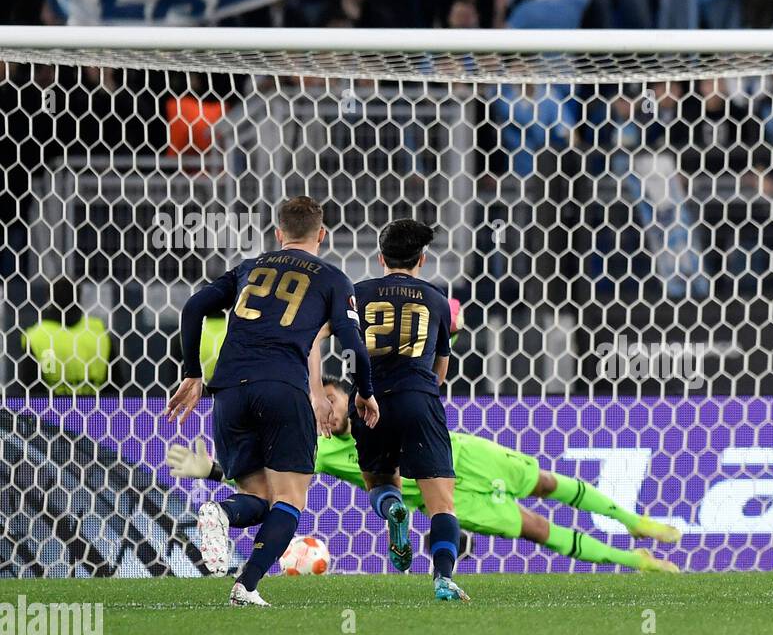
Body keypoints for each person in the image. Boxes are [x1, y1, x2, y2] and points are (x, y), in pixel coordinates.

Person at [165, 377, 683, 575]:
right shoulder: (319, 449)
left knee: (547, 482)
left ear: (346, 393)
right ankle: (636, 560)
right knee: (536, 530)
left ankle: (638, 523)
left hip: (465, 456)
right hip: (442, 500)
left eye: (330, 400)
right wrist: (211, 470)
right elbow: (271, 482)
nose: (326, 411)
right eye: (320, 407)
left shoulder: (376, 396)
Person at [167, 196, 378, 606]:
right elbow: (352, 342)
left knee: (260, 499)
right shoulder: (334, 279)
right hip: (283, 387)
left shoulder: (249, 267)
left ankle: (224, 515)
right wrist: (364, 390)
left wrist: (193, 371)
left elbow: (194, 307)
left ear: (279, 234)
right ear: (322, 234)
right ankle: (245, 585)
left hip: (229, 390)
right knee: (290, 500)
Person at [352, 219, 466, 600]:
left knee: (381, 484)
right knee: (442, 504)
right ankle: (443, 579)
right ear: (424, 258)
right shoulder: (435, 299)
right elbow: (442, 369)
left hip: (368, 400)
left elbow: (348, 348)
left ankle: (392, 510)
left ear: (380, 256)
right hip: (418, 398)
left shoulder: (358, 294)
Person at [19, 278, 111, 395]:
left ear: (49, 299)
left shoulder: (38, 336)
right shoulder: (98, 333)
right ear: (79, 298)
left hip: (49, 411)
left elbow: (30, 392)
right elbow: (116, 389)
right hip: (96, 410)